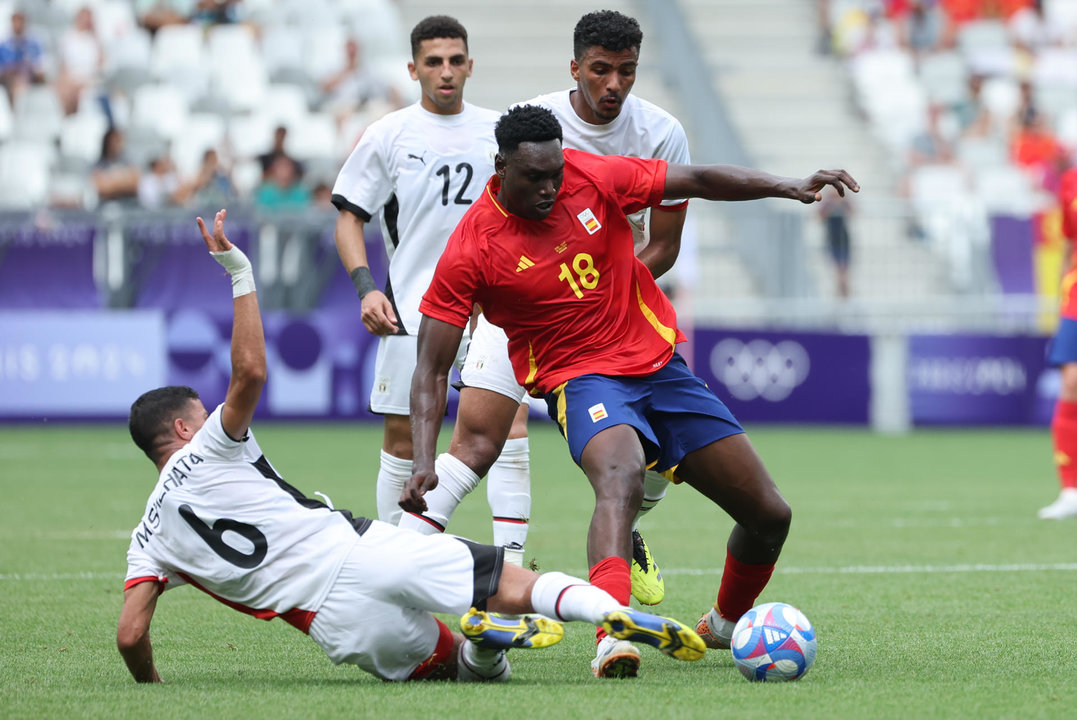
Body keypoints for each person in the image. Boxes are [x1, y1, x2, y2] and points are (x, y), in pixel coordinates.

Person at [117, 208, 707, 684]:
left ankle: (479, 648)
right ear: (183, 430)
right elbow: (248, 374)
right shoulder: (208, 448)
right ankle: (610, 616)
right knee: (508, 584)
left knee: (462, 671)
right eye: (203, 414)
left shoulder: (148, 538)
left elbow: (130, 634)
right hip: (361, 548)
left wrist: (150, 687)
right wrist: (239, 273)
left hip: (334, 623)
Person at [405, 105, 858, 678]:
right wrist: (423, 459)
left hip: (661, 368)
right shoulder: (474, 245)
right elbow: (430, 366)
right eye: (534, 178)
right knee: (619, 477)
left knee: (769, 514)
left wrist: (786, 185)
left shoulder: (591, 174)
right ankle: (612, 634)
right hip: (580, 378)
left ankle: (723, 627)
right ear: (500, 167)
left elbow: (694, 180)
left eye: (555, 174)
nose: (550, 188)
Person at [397, 10, 687, 596]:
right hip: (521, 306)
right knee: (477, 440)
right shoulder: (533, 125)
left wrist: (595, 294)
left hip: (613, 318)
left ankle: (626, 532)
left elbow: (663, 246)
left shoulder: (662, 132)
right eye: (601, 71)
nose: (613, 85)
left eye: (626, 72)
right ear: (575, 67)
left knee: (661, 461)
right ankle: (409, 566)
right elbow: (491, 221)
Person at [330, 16, 500, 527]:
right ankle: (391, 562)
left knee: (506, 431)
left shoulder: (499, 130)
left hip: (491, 310)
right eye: (433, 62)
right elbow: (348, 219)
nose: (445, 72)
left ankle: (514, 557)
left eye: (454, 61)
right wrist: (365, 289)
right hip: (414, 307)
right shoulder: (387, 135)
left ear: (470, 65)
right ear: (413, 69)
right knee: (403, 436)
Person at [1040, 158, 1077, 520]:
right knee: (1071, 384)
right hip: (1075, 298)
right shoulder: (1070, 182)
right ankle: (1070, 490)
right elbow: (1069, 241)